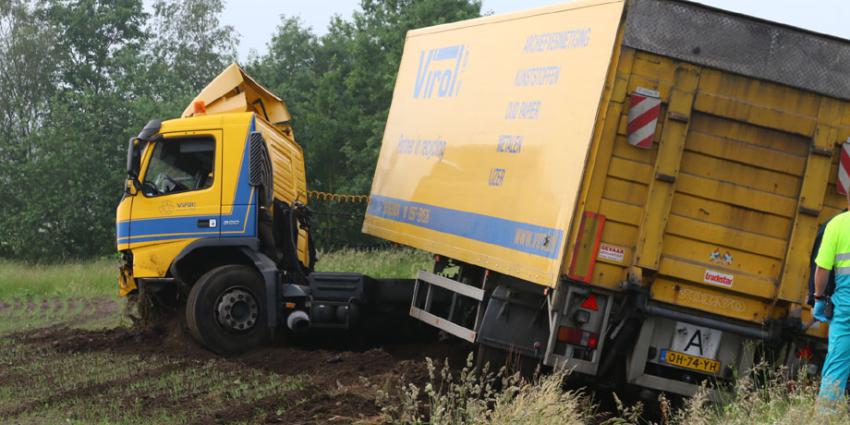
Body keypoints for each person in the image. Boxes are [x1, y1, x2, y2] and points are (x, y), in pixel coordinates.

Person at [814, 194, 850, 404]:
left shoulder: (837, 224)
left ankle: (825, 415)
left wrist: (819, 297)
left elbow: (822, 268)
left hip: (846, 307)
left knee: (836, 366)